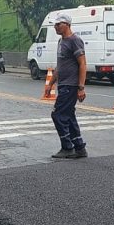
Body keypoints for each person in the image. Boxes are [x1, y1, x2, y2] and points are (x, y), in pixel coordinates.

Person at [49, 13, 87, 159]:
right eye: (55, 25)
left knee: (57, 115)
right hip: (63, 84)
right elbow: (60, 66)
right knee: (68, 115)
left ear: (67, 24)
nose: (55, 27)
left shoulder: (75, 41)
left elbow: (82, 64)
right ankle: (79, 147)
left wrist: (81, 87)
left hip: (70, 86)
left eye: (58, 24)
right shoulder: (61, 42)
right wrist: (51, 83)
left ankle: (67, 146)